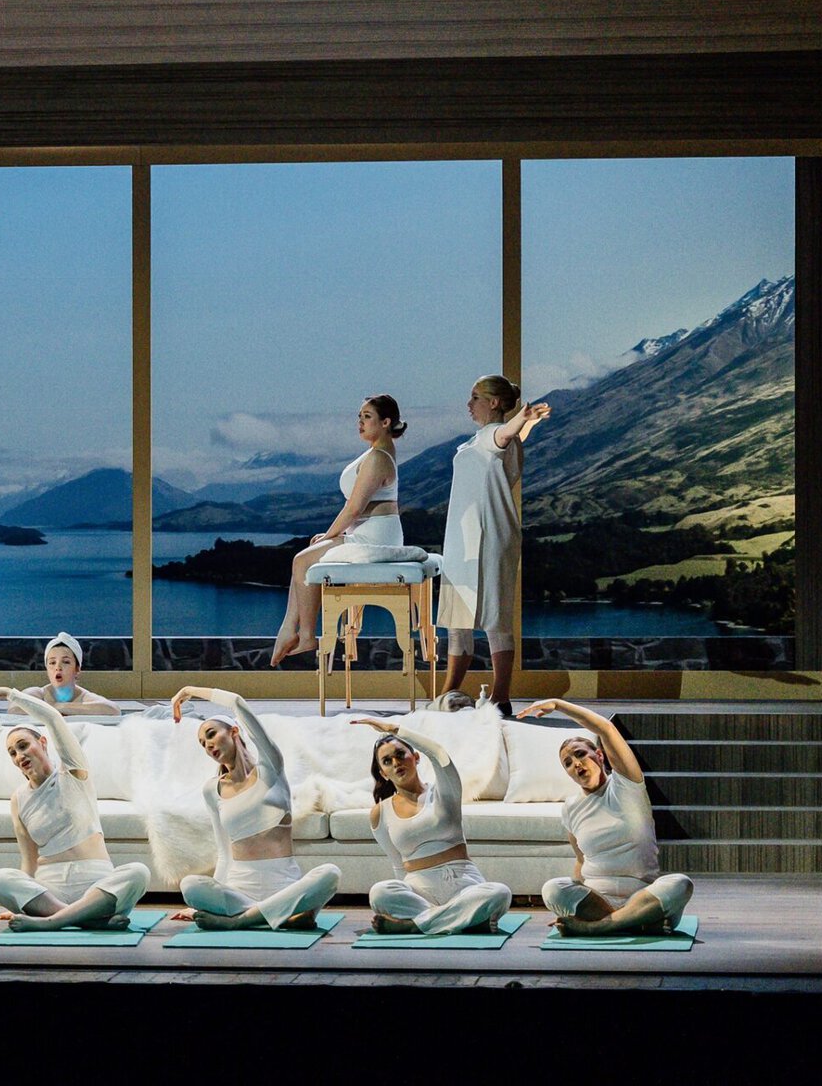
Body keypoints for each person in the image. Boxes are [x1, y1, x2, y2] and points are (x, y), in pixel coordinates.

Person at [168, 686, 340, 930]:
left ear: (234, 731)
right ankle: (278, 914)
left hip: (284, 886)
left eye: (211, 734)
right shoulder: (212, 790)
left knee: (330, 873)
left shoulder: (270, 769)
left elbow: (237, 701)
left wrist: (189, 690)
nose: (208, 744)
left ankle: (241, 921)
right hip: (239, 891)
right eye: (203, 743)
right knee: (190, 885)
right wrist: (201, 904)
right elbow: (223, 852)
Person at [519, 699, 694, 936]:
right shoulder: (571, 808)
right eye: (568, 763)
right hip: (597, 900)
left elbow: (605, 728)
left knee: (680, 884)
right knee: (552, 889)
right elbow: (581, 861)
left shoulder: (626, 785)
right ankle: (635, 922)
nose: (576, 764)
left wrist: (558, 705)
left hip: (642, 896)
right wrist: (571, 903)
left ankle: (598, 927)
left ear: (600, 756)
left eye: (581, 754)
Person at [0, 687, 149, 931]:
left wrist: (10, 694)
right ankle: (87, 920)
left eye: (23, 745)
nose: (19, 755)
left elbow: (53, 718)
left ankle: (52, 922)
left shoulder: (73, 772)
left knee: (138, 873)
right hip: (51, 891)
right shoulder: (18, 799)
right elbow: (28, 861)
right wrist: (17, 898)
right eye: (13, 753)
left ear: (42, 742)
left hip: (97, 885)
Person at [438, 376, 552, 716]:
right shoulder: (492, 439)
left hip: (487, 537)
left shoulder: (494, 435)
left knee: (494, 616)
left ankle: (500, 698)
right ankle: (449, 693)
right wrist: (526, 423)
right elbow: (508, 439)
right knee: (459, 615)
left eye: (475, 397)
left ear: (493, 403)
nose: (468, 404)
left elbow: (503, 434)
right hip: (465, 539)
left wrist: (521, 417)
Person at [270, 395, 408, 664]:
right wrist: (330, 537)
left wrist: (330, 535)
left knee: (302, 559)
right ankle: (289, 629)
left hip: (375, 537)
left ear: (386, 422)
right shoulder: (377, 452)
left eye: (367, 416)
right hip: (368, 532)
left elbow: (354, 509)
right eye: (359, 416)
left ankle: (306, 634)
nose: (360, 422)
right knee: (307, 555)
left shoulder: (379, 457)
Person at [353, 716, 511, 935]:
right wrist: (401, 900)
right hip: (418, 890)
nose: (396, 763)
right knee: (380, 893)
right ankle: (463, 919)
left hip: (463, 883)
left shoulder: (444, 792)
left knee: (499, 893)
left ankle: (415, 924)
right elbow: (398, 865)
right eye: (387, 761)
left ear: (416, 757)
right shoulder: (380, 813)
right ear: (383, 773)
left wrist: (396, 729)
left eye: (400, 755)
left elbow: (439, 754)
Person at [0, 633, 118, 717]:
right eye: (52, 663)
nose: (58, 668)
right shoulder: (38, 693)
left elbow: (113, 710)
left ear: (77, 669)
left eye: (65, 662)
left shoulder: (85, 697)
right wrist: (60, 708)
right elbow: (15, 709)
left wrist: (58, 707)